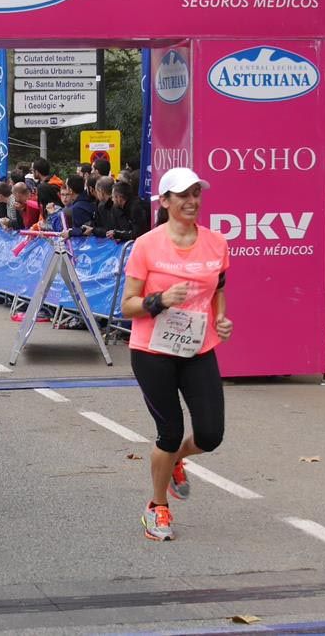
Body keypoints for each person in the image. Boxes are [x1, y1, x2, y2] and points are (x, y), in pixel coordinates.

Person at [120, 168, 233, 542]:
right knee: (168, 432)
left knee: (211, 434)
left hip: (198, 348)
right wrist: (160, 300)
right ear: (165, 201)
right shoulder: (147, 245)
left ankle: (177, 460)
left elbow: (218, 287)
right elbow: (128, 306)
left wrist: (221, 317)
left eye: (196, 193)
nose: (191, 201)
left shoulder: (216, 243)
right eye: (182, 194)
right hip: (153, 351)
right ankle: (157, 507)